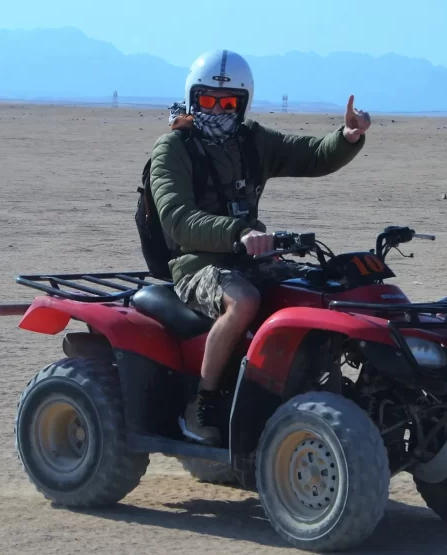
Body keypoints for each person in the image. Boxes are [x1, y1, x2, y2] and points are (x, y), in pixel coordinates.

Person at [148, 49, 371, 446]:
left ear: (243, 102)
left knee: (322, 290)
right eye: (207, 101)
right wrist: (238, 233)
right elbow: (178, 219)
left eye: (228, 102)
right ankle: (204, 402)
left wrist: (347, 138)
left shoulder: (252, 142)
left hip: (251, 255)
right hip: (197, 262)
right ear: (192, 98)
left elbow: (311, 154)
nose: (217, 110)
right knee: (244, 302)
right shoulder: (173, 150)